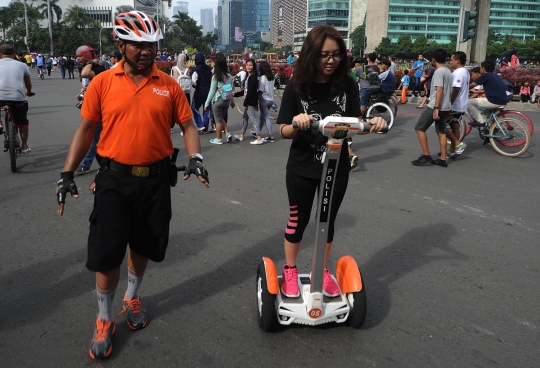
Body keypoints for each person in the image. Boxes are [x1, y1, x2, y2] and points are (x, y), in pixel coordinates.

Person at [55, 11, 209, 360]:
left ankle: (132, 295)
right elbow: (85, 131)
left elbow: (187, 126)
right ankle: (105, 318)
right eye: (137, 44)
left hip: (155, 181)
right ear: (120, 44)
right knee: (107, 250)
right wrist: (66, 174)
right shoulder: (102, 83)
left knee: (143, 244)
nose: (145, 51)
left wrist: (196, 158)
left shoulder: (168, 84)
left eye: (151, 44)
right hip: (113, 179)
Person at [277, 25, 386, 298]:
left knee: (327, 220)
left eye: (336, 55)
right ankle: (290, 269)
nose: (331, 60)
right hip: (302, 166)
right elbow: (281, 131)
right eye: (325, 55)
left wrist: (372, 122)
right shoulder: (296, 87)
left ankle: (319, 268)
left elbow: (353, 121)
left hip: (337, 166)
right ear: (312, 54)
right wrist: (297, 122)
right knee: (297, 219)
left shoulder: (347, 84)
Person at [411, 49, 453, 168]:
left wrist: (435, 108)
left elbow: (439, 90)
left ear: (434, 59)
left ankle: (426, 156)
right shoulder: (448, 71)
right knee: (441, 132)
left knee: (419, 128)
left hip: (436, 106)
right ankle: (443, 159)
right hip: (446, 106)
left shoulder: (439, 72)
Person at [74, 45, 107, 174]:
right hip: (90, 107)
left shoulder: (98, 68)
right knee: (97, 136)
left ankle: (86, 164)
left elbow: (85, 74)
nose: (77, 59)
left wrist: (91, 63)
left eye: (79, 56)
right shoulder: (87, 67)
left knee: (93, 136)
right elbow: (85, 84)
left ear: (87, 56)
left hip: (99, 107)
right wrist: (81, 93)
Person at [0, 44, 34, 152]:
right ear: (14, 54)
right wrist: (28, 91)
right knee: (22, 121)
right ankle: (24, 146)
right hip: (17, 97)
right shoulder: (22, 65)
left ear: (0, 55)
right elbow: (28, 83)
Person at [204, 52, 235, 144]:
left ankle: (219, 138)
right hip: (227, 100)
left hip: (217, 100)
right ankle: (227, 133)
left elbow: (211, 92)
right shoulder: (229, 76)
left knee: (217, 120)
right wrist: (232, 101)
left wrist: (206, 104)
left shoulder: (215, 77)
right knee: (221, 118)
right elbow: (231, 89)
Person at [468, 60, 509, 127]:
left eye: (481, 67)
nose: (480, 69)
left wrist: (462, 88)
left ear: (483, 68)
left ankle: (481, 121)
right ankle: (490, 129)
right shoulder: (496, 76)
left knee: (469, 102)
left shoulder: (485, 75)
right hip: (502, 100)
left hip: (493, 101)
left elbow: (473, 85)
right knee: (484, 113)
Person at [445, 51, 469, 158]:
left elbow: (455, 89)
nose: (450, 62)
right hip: (461, 105)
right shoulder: (466, 72)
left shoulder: (458, 72)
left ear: (457, 61)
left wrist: (449, 103)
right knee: (455, 127)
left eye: (451, 60)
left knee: (440, 125)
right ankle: (451, 151)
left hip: (455, 105)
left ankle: (458, 144)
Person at [243, 59, 264, 145]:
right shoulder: (249, 76)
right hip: (250, 100)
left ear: (254, 66)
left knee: (253, 119)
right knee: (245, 118)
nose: (248, 67)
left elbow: (251, 91)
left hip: (250, 101)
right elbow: (246, 90)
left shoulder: (252, 77)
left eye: (250, 65)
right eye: (247, 65)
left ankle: (259, 137)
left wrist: (245, 103)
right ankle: (241, 134)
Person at [354, 52, 380, 117]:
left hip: (367, 88)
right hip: (377, 86)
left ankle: (359, 118)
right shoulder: (375, 67)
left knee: (362, 104)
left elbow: (352, 76)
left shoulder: (360, 68)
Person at [191, 52, 212, 132]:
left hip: (199, 92)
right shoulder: (208, 69)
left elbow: (194, 82)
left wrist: (195, 87)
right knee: (206, 108)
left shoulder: (196, 70)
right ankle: (206, 126)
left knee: (194, 107)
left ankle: (200, 124)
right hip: (208, 91)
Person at [257, 60, 276, 142]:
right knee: (262, 117)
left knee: (266, 117)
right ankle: (257, 131)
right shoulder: (272, 77)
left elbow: (260, 91)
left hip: (264, 100)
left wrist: (257, 100)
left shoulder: (263, 78)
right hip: (270, 100)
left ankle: (271, 135)